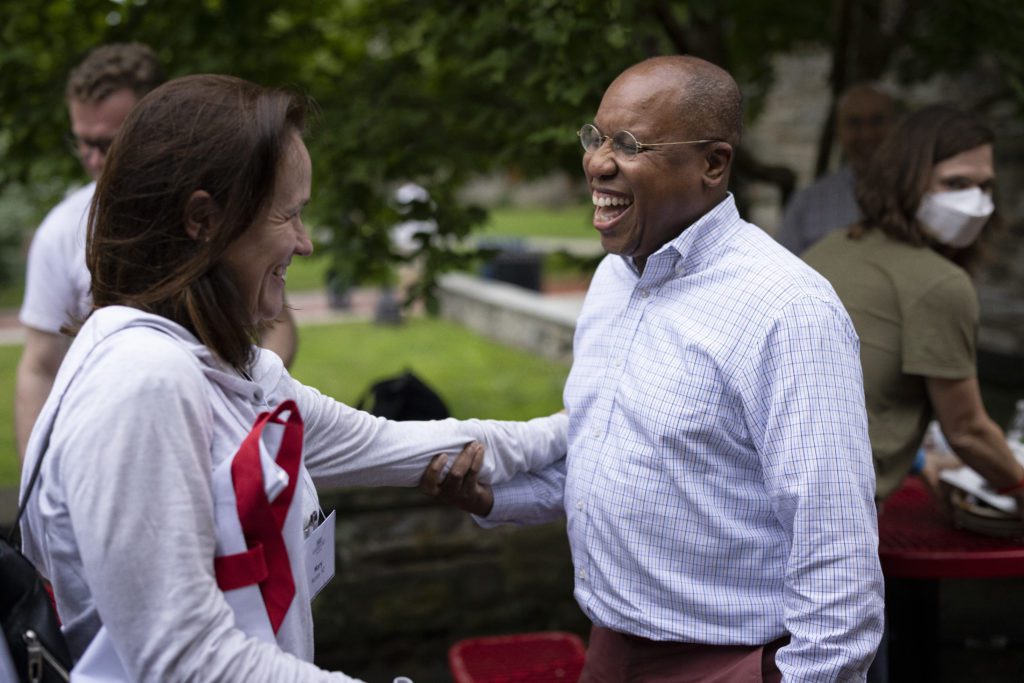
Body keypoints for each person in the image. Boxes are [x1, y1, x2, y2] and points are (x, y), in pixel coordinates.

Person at [18, 74, 568, 682]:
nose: (305, 244)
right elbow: (184, 660)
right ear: (203, 219)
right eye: (290, 213)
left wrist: (584, 426)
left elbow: (402, 444)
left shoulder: (233, 370)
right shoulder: (143, 385)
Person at [423, 55, 884, 681]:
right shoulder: (616, 277)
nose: (597, 162)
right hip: (611, 645)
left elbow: (838, 554)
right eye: (597, 136)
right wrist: (494, 498)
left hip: (732, 662)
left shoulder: (788, 311)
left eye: (631, 144)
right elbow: (613, 452)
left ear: (713, 165)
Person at [14, 43, 299, 461]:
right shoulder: (60, 232)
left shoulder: (215, 215)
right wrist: (33, 487)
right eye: (82, 143)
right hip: (121, 450)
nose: (94, 161)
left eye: (108, 144)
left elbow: (277, 324)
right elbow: (39, 366)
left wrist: (242, 405)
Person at [803, 104, 1024, 508]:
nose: (975, 203)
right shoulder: (941, 282)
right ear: (907, 180)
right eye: (955, 184)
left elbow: (856, 398)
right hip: (831, 512)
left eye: (985, 187)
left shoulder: (835, 245)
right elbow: (968, 432)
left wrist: (921, 459)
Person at [775, 83, 897, 254]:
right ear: (839, 131)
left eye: (876, 121)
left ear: (896, 125)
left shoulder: (922, 192)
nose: (867, 134)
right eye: (854, 123)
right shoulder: (808, 202)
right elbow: (784, 269)